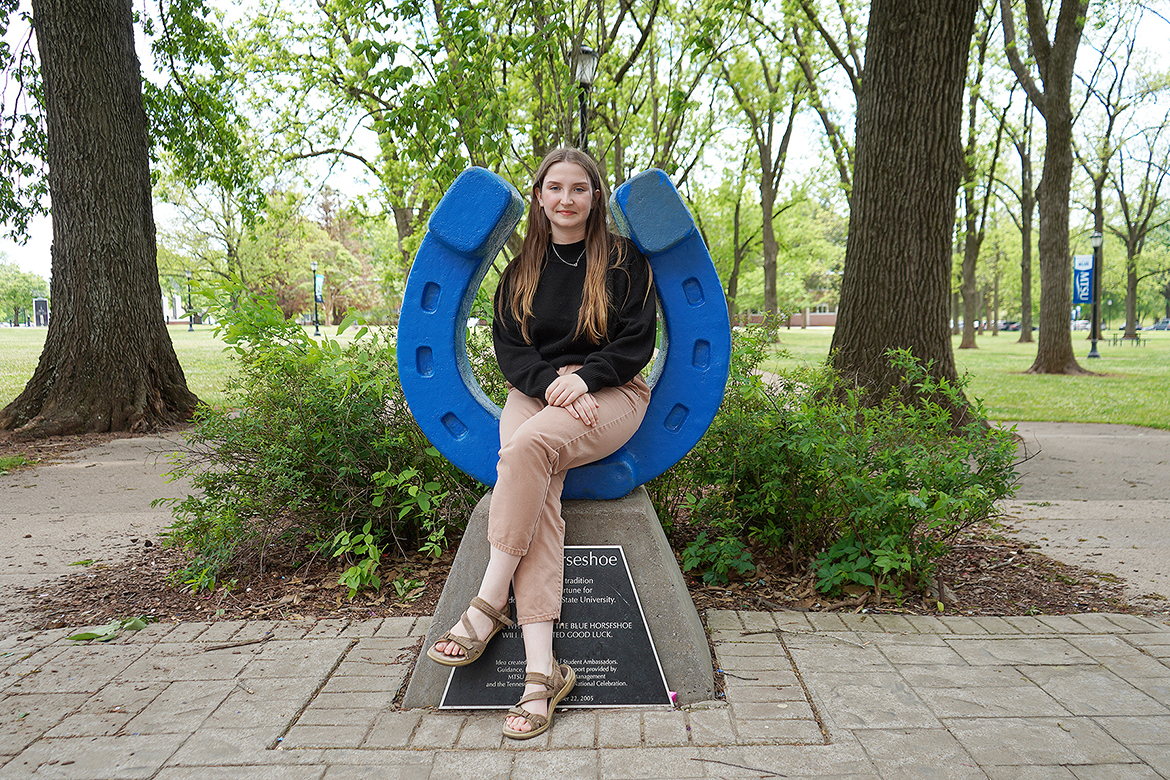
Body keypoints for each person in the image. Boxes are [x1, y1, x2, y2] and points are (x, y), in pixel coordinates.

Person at [426, 148, 657, 739]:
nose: (566, 199)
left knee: (524, 453)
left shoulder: (625, 262)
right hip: (539, 393)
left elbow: (635, 342)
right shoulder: (522, 267)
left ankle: (484, 606)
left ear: (595, 196)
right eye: (554, 188)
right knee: (540, 495)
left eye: (578, 188)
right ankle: (539, 677)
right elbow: (510, 350)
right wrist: (556, 384)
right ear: (538, 197)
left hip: (610, 395)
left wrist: (587, 379)